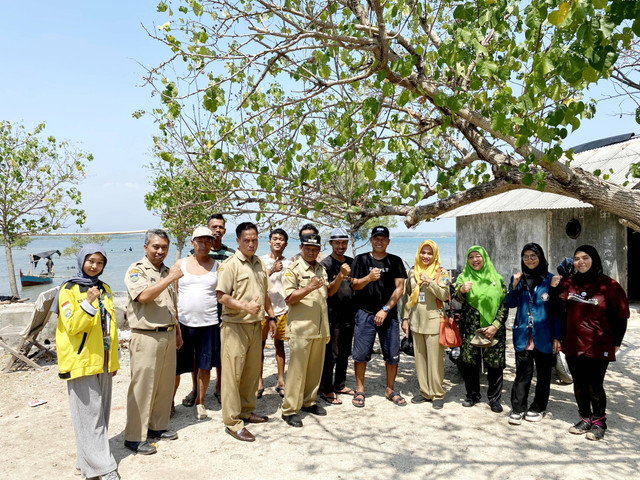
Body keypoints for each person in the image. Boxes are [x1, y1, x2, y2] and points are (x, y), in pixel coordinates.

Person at [54, 244, 120, 480]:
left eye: (100, 262)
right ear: (82, 260)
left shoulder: (105, 288)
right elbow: (72, 326)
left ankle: (86, 464)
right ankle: (105, 468)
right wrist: (88, 303)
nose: (94, 266)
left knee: (100, 415)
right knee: (90, 417)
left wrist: (113, 361)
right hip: (80, 361)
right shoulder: (69, 289)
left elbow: (110, 328)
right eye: (91, 261)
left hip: (102, 360)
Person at [555, 245, 629, 441]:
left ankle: (599, 422)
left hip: (599, 344)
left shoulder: (610, 285)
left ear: (594, 259)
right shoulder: (569, 284)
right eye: (577, 258)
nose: (581, 262)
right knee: (579, 383)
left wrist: (617, 342)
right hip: (572, 343)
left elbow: (621, 317)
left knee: (594, 385)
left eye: (585, 257)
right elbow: (558, 310)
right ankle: (585, 418)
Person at [123, 229, 183, 455]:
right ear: (146, 247)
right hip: (146, 335)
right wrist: (170, 278)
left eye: (164, 247)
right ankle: (134, 437)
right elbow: (144, 297)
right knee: (142, 387)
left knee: (163, 385)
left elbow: (171, 303)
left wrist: (177, 329)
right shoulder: (136, 270)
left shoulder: (167, 271)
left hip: (167, 333)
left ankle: (157, 427)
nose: (160, 251)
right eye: (156, 247)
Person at [216, 222, 276, 442]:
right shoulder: (230, 265)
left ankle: (246, 410)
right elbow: (221, 296)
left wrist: (271, 316)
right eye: (247, 240)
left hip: (255, 325)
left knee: (251, 373)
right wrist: (245, 306)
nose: (251, 244)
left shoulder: (259, 263)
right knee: (232, 375)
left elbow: (265, 292)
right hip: (235, 326)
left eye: (254, 239)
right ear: (238, 241)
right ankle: (232, 422)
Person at [503, 243, 562, 425]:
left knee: (543, 374)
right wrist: (513, 285)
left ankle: (538, 407)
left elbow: (558, 311)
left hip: (544, 335)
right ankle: (518, 407)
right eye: (526, 256)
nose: (530, 259)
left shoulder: (551, 280)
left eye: (533, 255)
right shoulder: (519, 280)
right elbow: (509, 303)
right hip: (523, 335)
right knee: (523, 372)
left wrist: (557, 337)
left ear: (541, 257)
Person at [179, 213, 234, 407]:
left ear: (224, 231)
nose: (217, 230)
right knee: (197, 358)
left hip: (219, 316)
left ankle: (219, 388)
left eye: (220, 227)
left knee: (218, 356)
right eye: (213, 227)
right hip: (193, 319)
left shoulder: (230, 256)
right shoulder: (187, 259)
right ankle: (196, 391)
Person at [350, 226, 407, 408]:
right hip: (364, 313)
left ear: (388, 241)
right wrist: (368, 278)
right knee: (360, 354)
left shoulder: (396, 261)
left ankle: (390, 389)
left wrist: (385, 309)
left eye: (383, 238)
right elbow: (354, 285)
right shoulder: (361, 259)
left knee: (391, 353)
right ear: (371, 240)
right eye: (376, 238)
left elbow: (400, 288)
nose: (379, 241)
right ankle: (360, 389)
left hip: (388, 315)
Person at [281, 233, 330, 427]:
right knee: (297, 371)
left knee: (314, 370)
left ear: (319, 250)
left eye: (315, 248)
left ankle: (308, 401)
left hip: (319, 327)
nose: (311, 251)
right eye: (307, 248)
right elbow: (289, 298)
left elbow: (325, 295)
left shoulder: (321, 268)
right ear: (301, 248)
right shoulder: (293, 269)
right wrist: (309, 287)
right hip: (301, 328)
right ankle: (290, 409)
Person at [173, 227, 220, 421]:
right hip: (184, 324)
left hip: (209, 323)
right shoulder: (180, 264)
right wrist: (175, 323)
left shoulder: (217, 266)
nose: (203, 244)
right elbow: (173, 295)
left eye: (207, 241)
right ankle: (169, 402)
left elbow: (222, 294)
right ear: (192, 243)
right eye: (199, 241)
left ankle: (200, 402)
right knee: (176, 367)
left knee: (205, 366)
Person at [454, 246, 508, 413]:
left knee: (495, 365)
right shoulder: (463, 277)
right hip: (471, 326)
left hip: (494, 327)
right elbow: (457, 297)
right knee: (469, 363)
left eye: (478, 256)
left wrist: (495, 325)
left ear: (484, 258)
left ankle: (494, 399)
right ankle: (472, 395)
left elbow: (504, 304)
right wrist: (461, 291)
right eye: (471, 257)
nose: (475, 260)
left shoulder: (497, 278)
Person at [401, 240, 450, 410]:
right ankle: (425, 392)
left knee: (435, 360)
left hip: (434, 321)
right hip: (416, 321)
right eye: (423, 252)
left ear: (435, 254)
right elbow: (407, 297)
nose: (426, 256)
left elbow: (444, 295)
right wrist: (405, 318)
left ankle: (437, 393)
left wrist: (429, 281)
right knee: (420, 359)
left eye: (430, 253)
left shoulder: (441, 272)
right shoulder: (412, 272)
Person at [319, 227, 356, 405]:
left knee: (344, 353)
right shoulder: (325, 264)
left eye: (344, 243)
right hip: (332, 315)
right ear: (331, 243)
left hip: (349, 315)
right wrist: (341, 275)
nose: (341, 246)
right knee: (330, 355)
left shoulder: (351, 262)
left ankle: (339, 384)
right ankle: (326, 389)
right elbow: (328, 292)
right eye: (337, 243)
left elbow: (356, 286)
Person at [258, 228, 291, 399]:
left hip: (282, 310)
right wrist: (271, 270)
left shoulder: (290, 263)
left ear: (286, 243)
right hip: (263, 311)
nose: (278, 241)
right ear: (269, 242)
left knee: (280, 346)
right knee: (260, 347)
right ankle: (259, 382)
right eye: (275, 238)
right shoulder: (260, 261)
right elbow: (257, 283)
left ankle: (280, 381)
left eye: (281, 239)